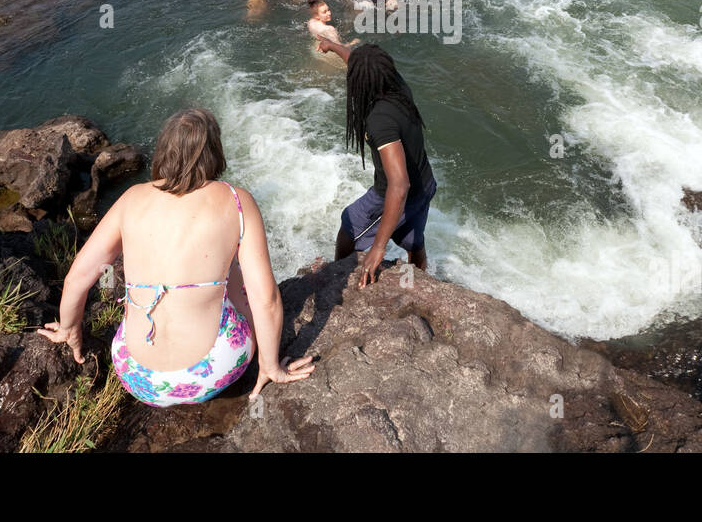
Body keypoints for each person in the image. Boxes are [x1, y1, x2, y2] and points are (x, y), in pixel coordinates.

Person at [38, 108, 315, 406]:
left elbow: (78, 277)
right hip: (210, 373)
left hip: (137, 376)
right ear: (214, 152)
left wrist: (68, 328)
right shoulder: (236, 200)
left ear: (164, 150)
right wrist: (271, 366)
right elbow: (267, 299)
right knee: (234, 270)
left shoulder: (131, 198)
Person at [316, 42, 436, 287]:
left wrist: (378, 248)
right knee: (413, 241)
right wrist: (333, 46)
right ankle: (419, 284)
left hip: (392, 194)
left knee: (349, 223)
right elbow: (357, 61)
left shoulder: (379, 119)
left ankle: (338, 278)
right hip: (425, 184)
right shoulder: (396, 85)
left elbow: (399, 185)